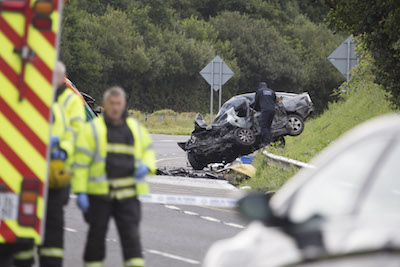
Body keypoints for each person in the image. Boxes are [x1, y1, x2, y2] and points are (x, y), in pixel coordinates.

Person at [72, 86, 156, 267]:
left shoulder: (135, 129)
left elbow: (148, 152)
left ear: (123, 105)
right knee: (96, 239)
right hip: (100, 196)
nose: (115, 108)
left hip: (128, 196)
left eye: (118, 104)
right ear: (105, 105)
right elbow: (80, 163)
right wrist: (80, 192)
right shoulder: (92, 130)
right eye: (112, 104)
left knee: (132, 240)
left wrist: (146, 166)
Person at [13, 62, 86, 267]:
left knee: (52, 225)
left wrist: (62, 149)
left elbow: (76, 132)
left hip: (57, 172)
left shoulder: (71, 101)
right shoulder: (35, 95)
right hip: (30, 171)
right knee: (25, 224)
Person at [254, 82, 276, 146]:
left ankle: (266, 143)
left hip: (265, 110)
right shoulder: (272, 91)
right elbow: (274, 100)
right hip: (272, 110)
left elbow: (256, 102)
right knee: (268, 126)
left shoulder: (259, 91)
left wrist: (256, 109)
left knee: (263, 126)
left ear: (260, 86)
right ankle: (269, 142)